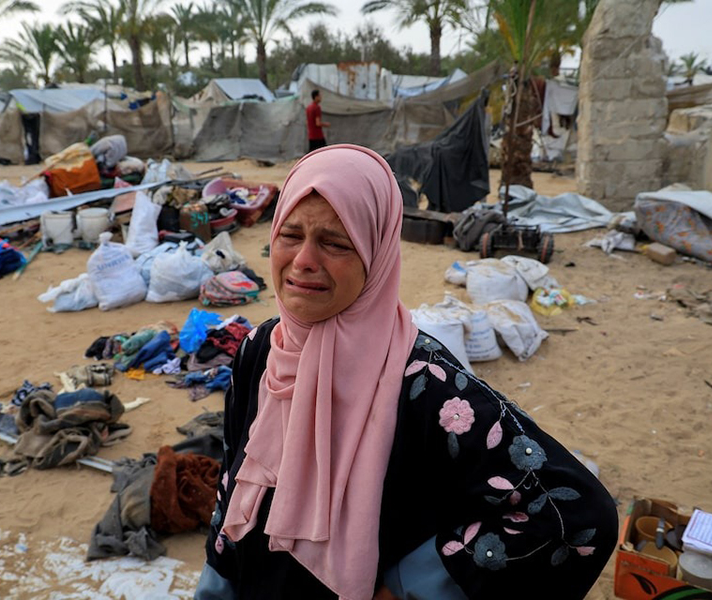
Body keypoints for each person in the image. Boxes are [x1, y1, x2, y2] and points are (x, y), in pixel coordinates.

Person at [195, 144, 618, 600]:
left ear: (375, 254)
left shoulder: (422, 382)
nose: (303, 261)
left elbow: (574, 513)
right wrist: (216, 584)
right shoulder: (261, 350)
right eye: (290, 235)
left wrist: (411, 584)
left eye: (335, 242)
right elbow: (234, 478)